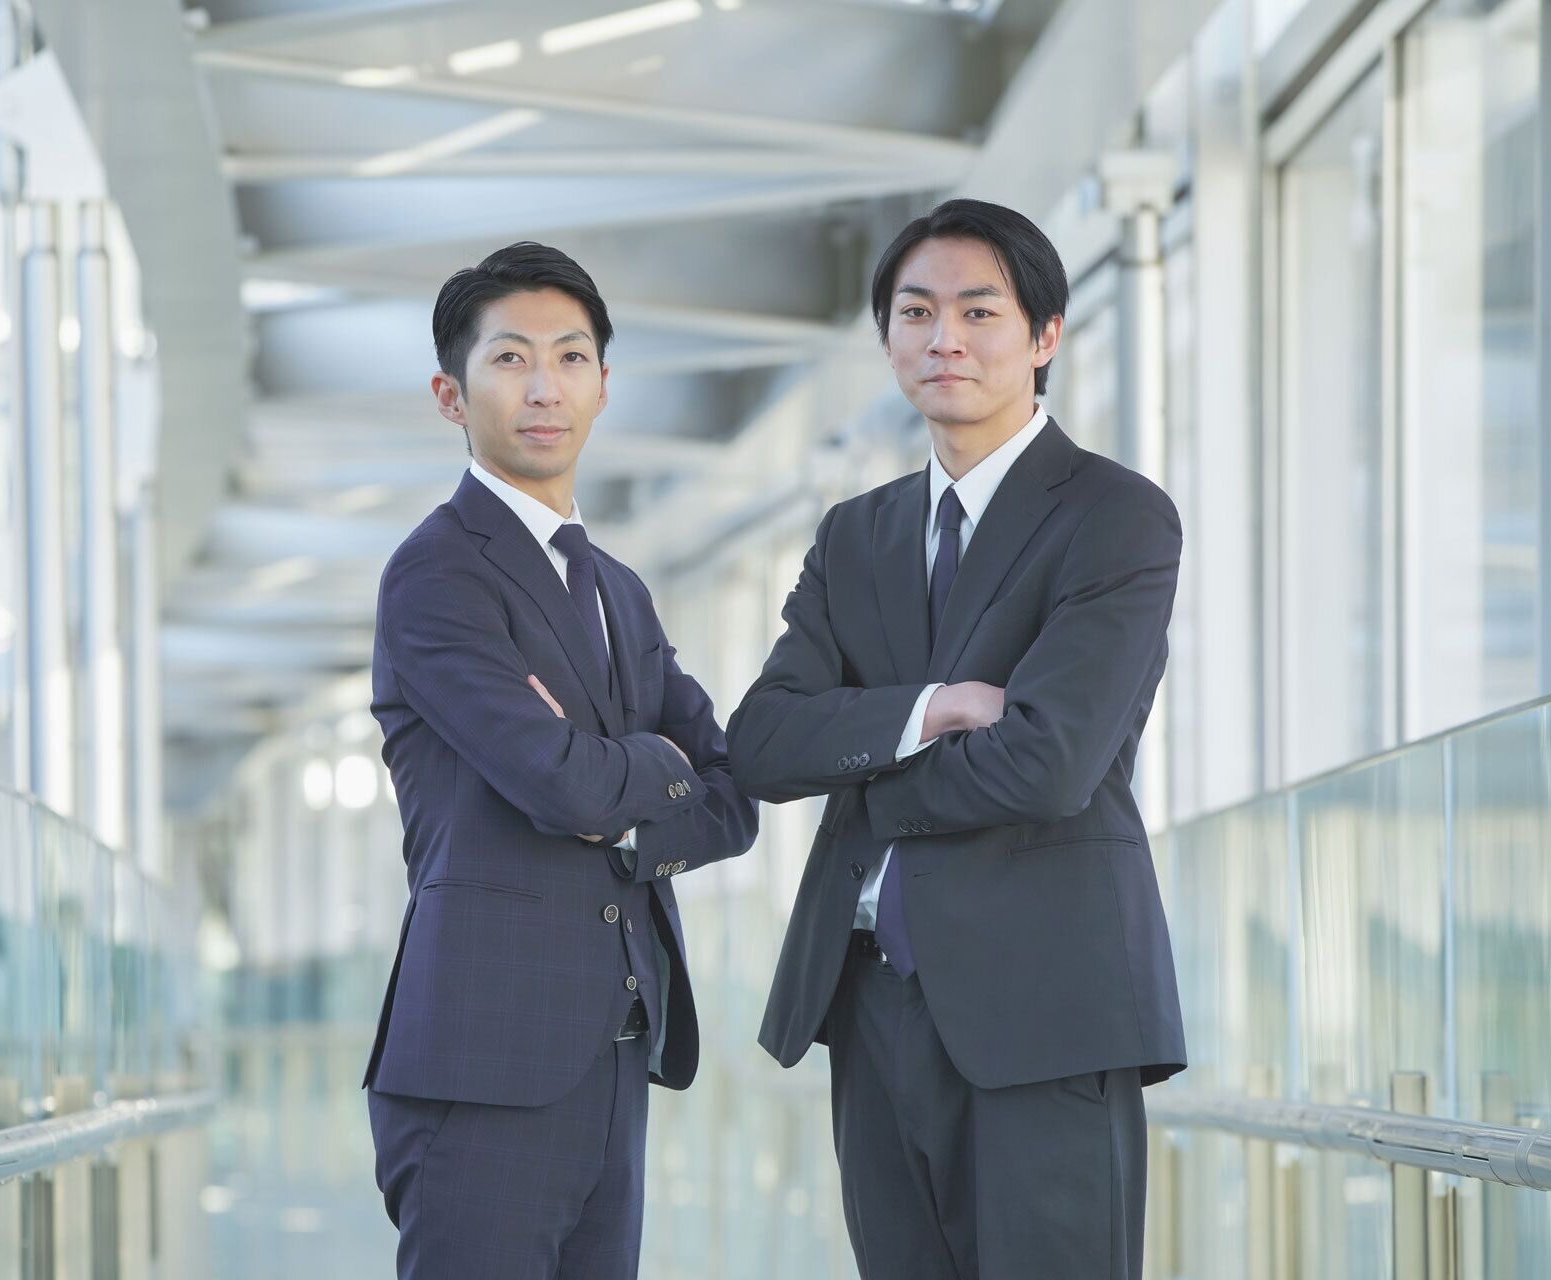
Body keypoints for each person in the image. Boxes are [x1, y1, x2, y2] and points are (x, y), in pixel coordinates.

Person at [728, 198, 1186, 1279]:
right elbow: (760, 742)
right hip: (871, 999)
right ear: (887, 338)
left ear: (1045, 336)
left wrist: (865, 777)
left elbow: (1050, 760)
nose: (945, 339)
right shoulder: (858, 534)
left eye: (979, 311)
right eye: (916, 312)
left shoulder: (1115, 516)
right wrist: (928, 710)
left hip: (1046, 1007)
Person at [364, 241, 760, 1279]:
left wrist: (614, 774)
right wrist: (643, 763)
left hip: (613, 1050)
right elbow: (556, 780)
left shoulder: (617, 588)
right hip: (482, 1066)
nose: (544, 387)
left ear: (603, 383)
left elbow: (731, 797)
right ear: (451, 392)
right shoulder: (436, 575)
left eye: (570, 357)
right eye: (509, 360)